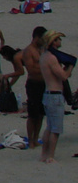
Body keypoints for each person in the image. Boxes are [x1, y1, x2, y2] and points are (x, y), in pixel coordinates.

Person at [37, 31, 68, 164]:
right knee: (55, 129)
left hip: (48, 94)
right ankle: (50, 156)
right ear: (53, 42)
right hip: (55, 95)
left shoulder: (43, 56)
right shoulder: (51, 58)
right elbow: (64, 76)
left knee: (49, 127)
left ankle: (44, 154)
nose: (60, 42)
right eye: (58, 39)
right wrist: (70, 67)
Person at [23, 26, 49, 143]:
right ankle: (31, 139)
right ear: (37, 37)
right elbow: (30, 69)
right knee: (32, 114)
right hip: (33, 84)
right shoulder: (29, 50)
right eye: (43, 38)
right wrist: (46, 69)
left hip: (43, 84)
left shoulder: (42, 50)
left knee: (41, 114)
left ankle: (35, 137)